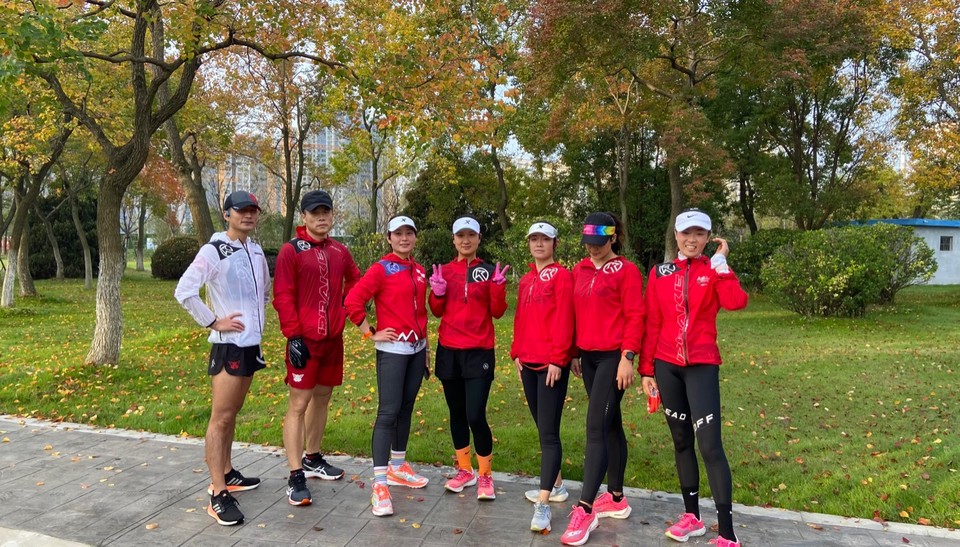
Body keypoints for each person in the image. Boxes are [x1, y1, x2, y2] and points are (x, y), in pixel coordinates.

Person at [639, 209, 748, 547]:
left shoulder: (713, 270)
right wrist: (646, 370)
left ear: (708, 237)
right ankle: (692, 517)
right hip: (666, 366)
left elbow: (736, 302)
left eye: (699, 233)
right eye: (686, 233)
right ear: (676, 235)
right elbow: (652, 322)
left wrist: (721, 265)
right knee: (682, 442)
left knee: (710, 446)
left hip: (702, 366)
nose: (692, 239)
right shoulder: (660, 273)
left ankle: (727, 533)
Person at [174, 190, 270, 526]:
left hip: (250, 345)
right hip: (228, 346)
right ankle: (217, 492)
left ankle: (228, 472)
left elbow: (264, 292)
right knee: (221, 417)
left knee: (232, 414)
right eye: (241, 210)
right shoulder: (214, 250)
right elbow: (184, 291)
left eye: (253, 210)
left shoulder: (255, 250)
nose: (249, 215)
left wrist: (257, 320)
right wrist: (213, 321)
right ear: (227, 214)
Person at [273, 189, 361, 506]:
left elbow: (356, 280)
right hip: (305, 339)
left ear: (332, 215)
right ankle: (295, 474)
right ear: (304, 217)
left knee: (322, 398)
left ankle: (312, 457)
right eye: (315, 213)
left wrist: (345, 305)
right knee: (298, 404)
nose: (321, 218)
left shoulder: (339, 250)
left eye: (326, 212)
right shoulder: (291, 251)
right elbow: (283, 295)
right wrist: (293, 335)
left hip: (332, 340)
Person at [561, 212, 644, 546]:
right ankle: (616, 497)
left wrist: (628, 357)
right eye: (588, 243)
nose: (593, 249)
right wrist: (573, 352)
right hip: (588, 357)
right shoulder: (579, 270)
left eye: (599, 243)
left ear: (613, 238)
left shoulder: (626, 270)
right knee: (610, 425)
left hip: (613, 358)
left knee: (595, 426)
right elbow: (573, 312)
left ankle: (585, 509)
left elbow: (635, 315)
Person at [344, 215, 431, 517]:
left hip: (417, 349)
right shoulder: (382, 268)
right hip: (393, 350)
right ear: (389, 238)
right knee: (388, 413)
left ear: (415, 237)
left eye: (409, 233)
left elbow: (421, 313)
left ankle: (398, 466)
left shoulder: (419, 270)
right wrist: (370, 332)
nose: (404, 238)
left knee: (406, 409)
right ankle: (380, 484)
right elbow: (353, 301)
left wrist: (426, 348)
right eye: (398, 234)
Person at [428, 216, 508, 500]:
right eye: (460, 236)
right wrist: (437, 293)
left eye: (471, 235)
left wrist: (497, 288)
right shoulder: (446, 270)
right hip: (449, 351)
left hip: (478, 351)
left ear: (478, 239)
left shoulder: (487, 270)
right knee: (457, 414)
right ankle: (465, 470)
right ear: (453, 239)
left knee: (475, 414)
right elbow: (436, 311)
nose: (465, 240)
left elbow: (498, 312)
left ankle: (485, 474)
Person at [510, 221, 575, 533]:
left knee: (549, 434)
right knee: (542, 427)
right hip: (528, 363)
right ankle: (558, 485)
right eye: (534, 239)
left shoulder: (562, 276)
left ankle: (544, 503)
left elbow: (565, 318)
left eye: (544, 239)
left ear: (554, 244)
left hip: (551, 366)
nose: (539, 244)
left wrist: (559, 359)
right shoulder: (526, 280)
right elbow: (520, 318)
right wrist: (516, 352)